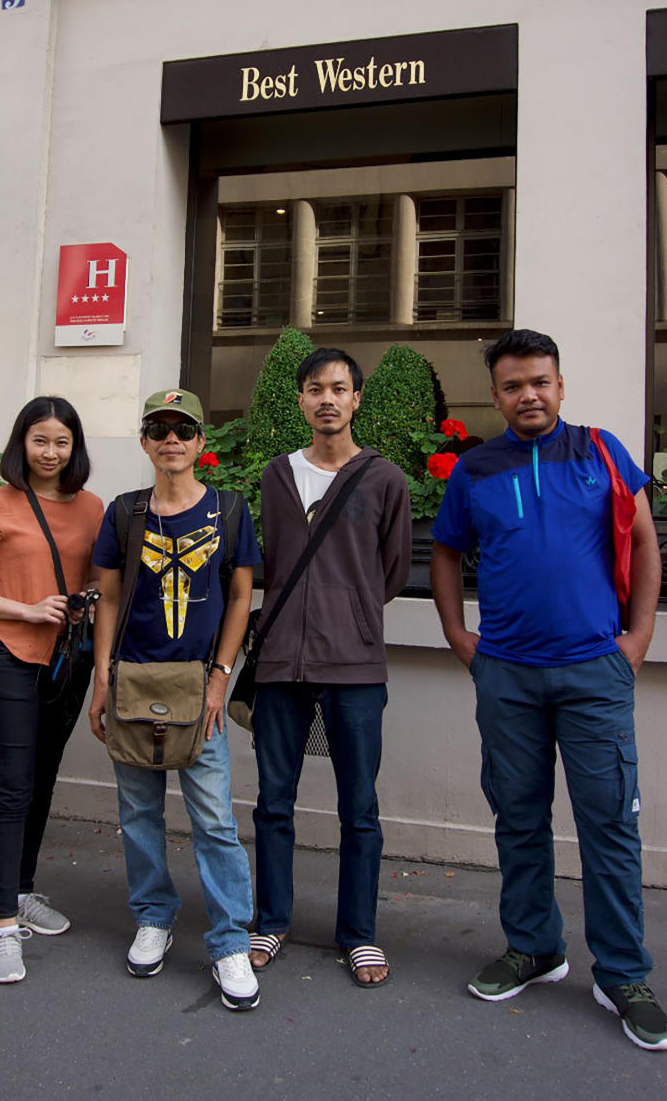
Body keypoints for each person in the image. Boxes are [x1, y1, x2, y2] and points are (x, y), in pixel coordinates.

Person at [430, 328, 667, 1051]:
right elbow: (445, 551)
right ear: (498, 394)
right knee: (518, 816)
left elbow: (645, 543)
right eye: (513, 384)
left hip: (595, 671)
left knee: (609, 822)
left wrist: (638, 638)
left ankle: (623, 972)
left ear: (560, 385)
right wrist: (456, 633)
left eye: (539, 380)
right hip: (505, 672)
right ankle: (535, 946)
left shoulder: (601, 450)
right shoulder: (475, 469)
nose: (528, 394)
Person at [88, 387, 262, 1012]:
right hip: (134, 681)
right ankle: (154, 916)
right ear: (144, 442)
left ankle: (229, 941)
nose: (171, 440)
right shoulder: (125, 512)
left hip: (199, 687)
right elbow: (107, 598)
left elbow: (241, 598)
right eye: (159, 429)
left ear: (200, 444)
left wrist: (221, 673)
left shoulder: (231, 510)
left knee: (214, 819)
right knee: (138, 813)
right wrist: (103, 677)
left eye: (183, 430)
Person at [249, 347, 412, 987]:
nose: (327, 399)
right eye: (315, 388)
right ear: (300, 400)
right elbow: (274, 559)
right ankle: (271, 920)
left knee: (360, 806)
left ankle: (360, 935)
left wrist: (349, 613)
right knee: (273, 802)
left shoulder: (385, 479)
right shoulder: (275, 476)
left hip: (355, 661)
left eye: (339, 388)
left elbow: (391, 572)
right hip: (282, 660)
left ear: (356, 399)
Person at [0, 396, 103, 984]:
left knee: (41, 782)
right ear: (23, 442)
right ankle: (0, 928)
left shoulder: (92, 507)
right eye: (40, 440)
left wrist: (86, 595)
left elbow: (96, 575)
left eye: (61, 442)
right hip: (10, 656)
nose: (50, 452)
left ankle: (21, 891)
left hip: (68, 662)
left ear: (74, 447)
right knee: (13, 788)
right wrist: (27, 608)